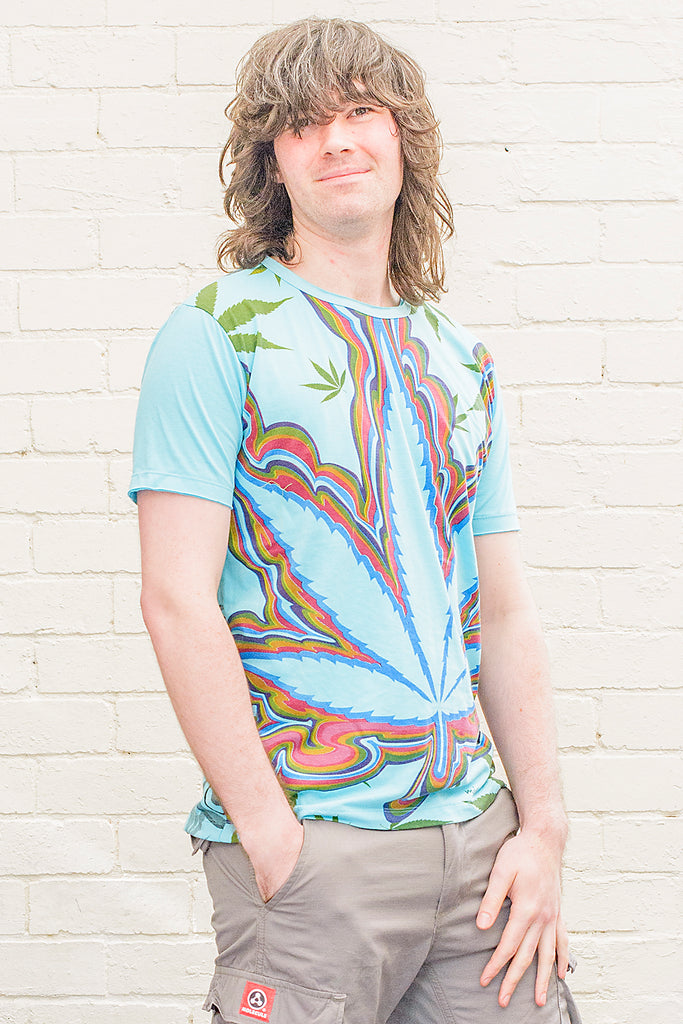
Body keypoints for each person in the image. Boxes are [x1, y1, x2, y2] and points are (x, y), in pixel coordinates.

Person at [129, 17, 581, 1024]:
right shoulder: (217, 334)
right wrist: (266, 829)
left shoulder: (459, 360)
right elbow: (175, 599)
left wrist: (540, 827)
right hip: (312, 849)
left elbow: (502, 615)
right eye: (303, 123)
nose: (336, 139)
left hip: (480, 859)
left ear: (402, 141)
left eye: (360, 113)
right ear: (272, 162)